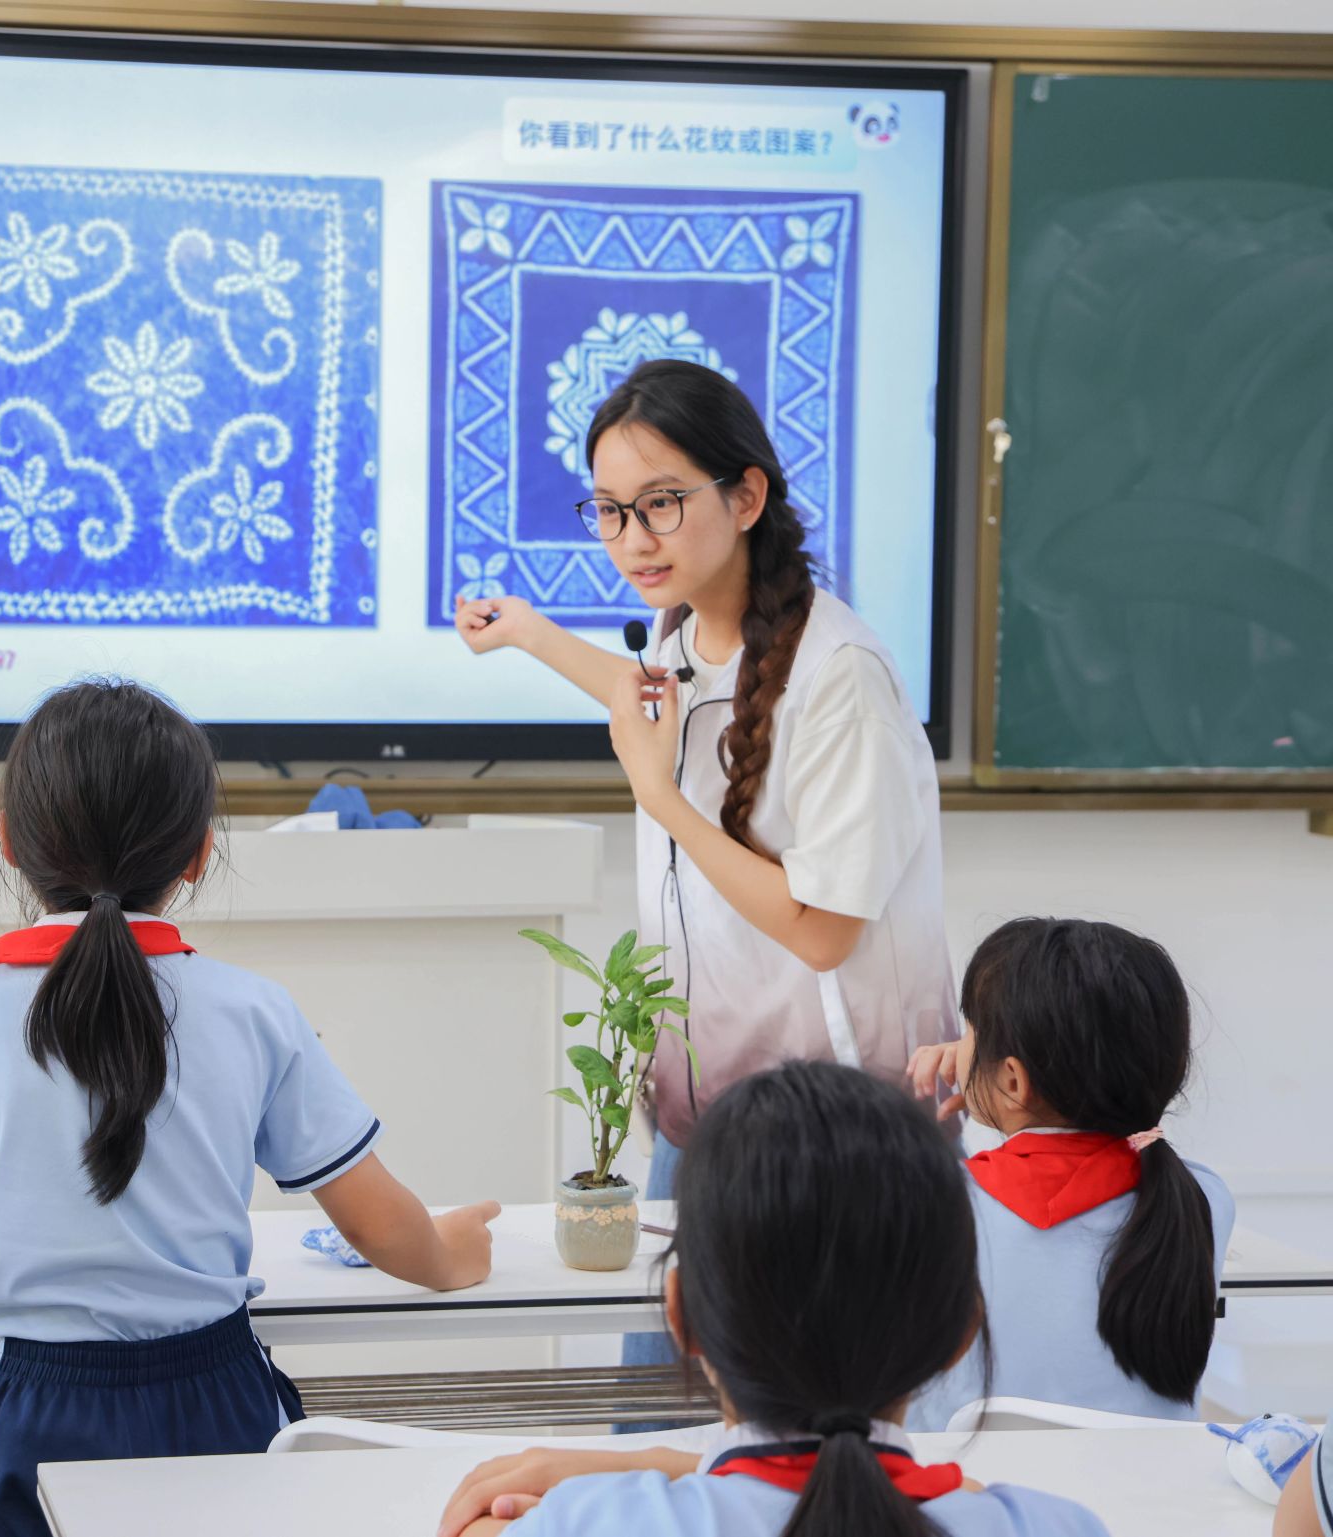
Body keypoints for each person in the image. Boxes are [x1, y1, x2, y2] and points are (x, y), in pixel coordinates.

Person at [0, 679, 499, 1537]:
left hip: (30, 1421)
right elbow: (382, 1225)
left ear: (8, 842)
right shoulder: (255, 1010)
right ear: (198, 854)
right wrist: (452, 1255)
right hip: (222, 1405)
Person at [457, 358, 955, 1380]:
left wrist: (663, 801)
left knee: (801, 1428)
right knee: (661, 1409)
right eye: (609, 511)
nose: (632, 539)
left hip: (834, 1137)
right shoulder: (687, 629)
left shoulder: (840, 677)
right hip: (707, 1117)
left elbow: (823, 930)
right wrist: (531, 634)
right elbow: (657, 697)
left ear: (745, 495)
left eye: (661, 504)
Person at [435, 1061, 1108, 1537]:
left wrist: (646, 1467)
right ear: (963, 1329)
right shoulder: (1059, 1526)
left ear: (682, 1316)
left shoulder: (582, 1522)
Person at [908, 917, 1234, 1428]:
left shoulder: (931, 1200)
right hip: (1151, 1478)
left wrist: (980, 1086)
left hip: (968, 1475)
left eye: (969, 1029)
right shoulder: (1203, 1197)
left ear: (1013, 1079)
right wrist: (992, 1076)